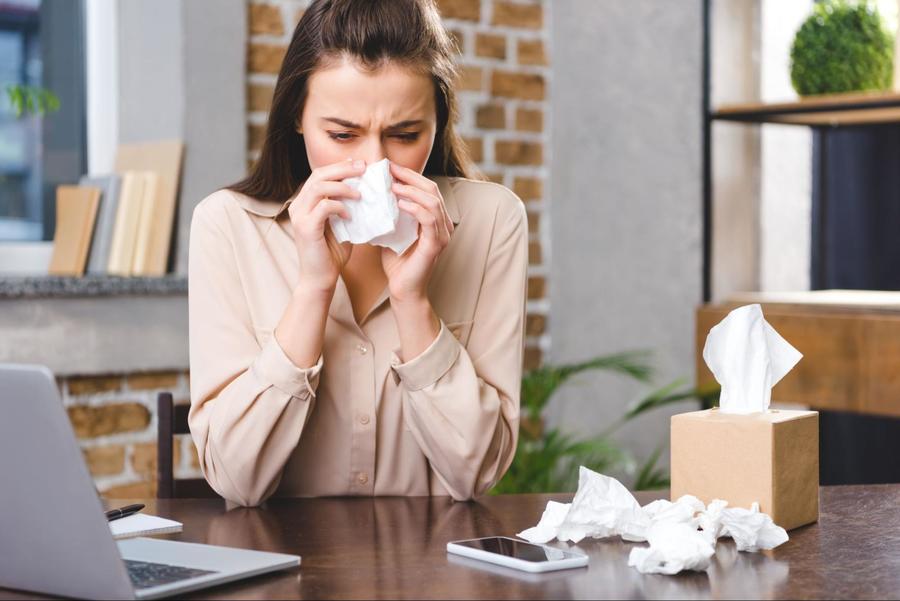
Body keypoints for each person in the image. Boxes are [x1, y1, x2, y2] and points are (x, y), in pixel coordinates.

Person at [187, 0, 528, 506]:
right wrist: (313, 289)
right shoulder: (227, 226)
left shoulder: (492, 220)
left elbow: (475, 473)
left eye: (405, 135)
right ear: (296, 119)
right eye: (342, 135)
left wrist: (414, 302)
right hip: (283, 571)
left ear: (437, 124)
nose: (374, 165)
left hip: (434, 574)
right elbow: (238, 483)